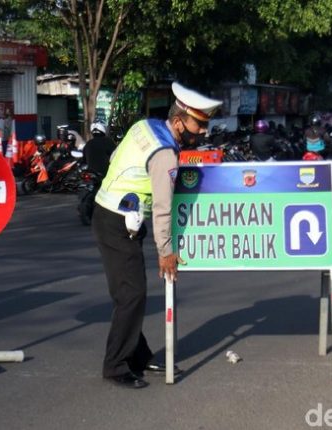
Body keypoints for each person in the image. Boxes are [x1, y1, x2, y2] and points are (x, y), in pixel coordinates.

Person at [91, 82, 222, 389]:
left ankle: (139, 355)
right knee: (131, 294)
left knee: (128, 292)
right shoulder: (165, 153)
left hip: (112, 214)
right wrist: (166, 251)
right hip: (117, 222)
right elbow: (164, 207)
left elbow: (115, 160)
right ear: (179, 121)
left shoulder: (146, 126)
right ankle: (116, 365)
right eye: (199, 124)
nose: (202, 131)